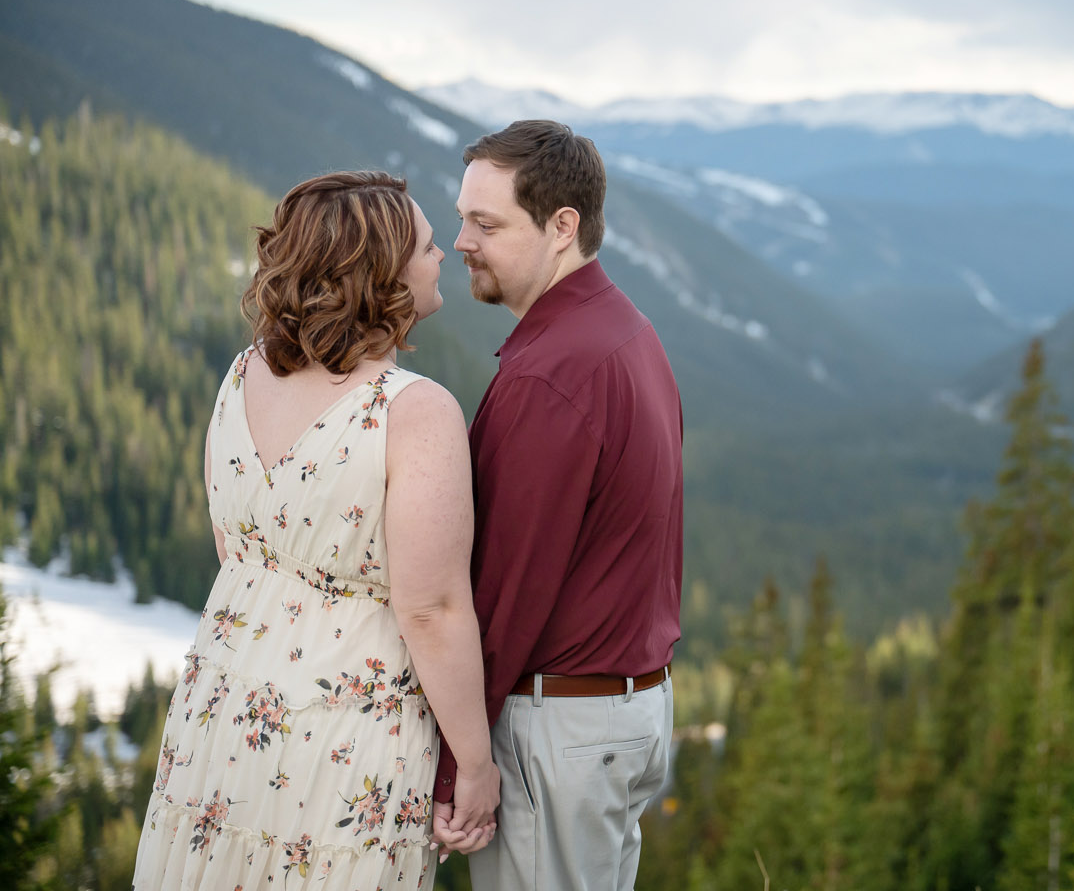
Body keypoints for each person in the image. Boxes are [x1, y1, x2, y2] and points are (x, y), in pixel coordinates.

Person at [133, 170, 501, 889]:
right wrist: (477, 765)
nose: (442, 255)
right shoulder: (414, 411)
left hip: (221, 711)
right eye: (427, 246)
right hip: (341, 731)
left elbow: (236, 551)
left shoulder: (242, 376)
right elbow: (431, 610)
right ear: (381, 275)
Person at [431, 121, 684, 891]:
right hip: (619, 715)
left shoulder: (554, 374)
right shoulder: (626, 332)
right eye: (462, 216)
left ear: (562, 227)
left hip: (562, 730)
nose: (461, 241)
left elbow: (506, 592)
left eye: (487, 223)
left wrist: (456, 768)